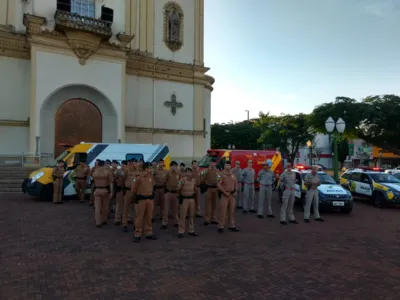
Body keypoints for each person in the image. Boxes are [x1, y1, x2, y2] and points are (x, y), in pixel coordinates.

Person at [132, 162, 157, 242]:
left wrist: (152, 194)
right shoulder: (138, 177)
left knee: (149, 216)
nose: (150, 170)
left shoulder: (151, 177)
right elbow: (133, 189)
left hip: (149, 199)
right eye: (149, 168)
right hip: (141, 199)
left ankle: (148, 232)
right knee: (139, 217)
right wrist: (135, 198)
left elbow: (152, 186)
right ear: (145, 168)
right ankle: (137, 233)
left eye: (150, 168)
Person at [217, 161, 240, 233]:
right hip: (224, 195)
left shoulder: (233, 174)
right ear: (224, 166)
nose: (228, 166)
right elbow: (218, 184)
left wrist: (236, 190)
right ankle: (221, 226)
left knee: (231, 211)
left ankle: (231, 225)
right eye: (226, 165)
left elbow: (236, 182)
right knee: (223, 211)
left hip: (232, 195)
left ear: (230, 166)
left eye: (229, 165)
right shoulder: (220, 174)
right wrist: (224, 192)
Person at [177, 167, 198, 238]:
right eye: (187, 172)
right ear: (185, 173)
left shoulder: (193, 180)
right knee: (183, 216)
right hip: (184, 199)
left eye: (190, 172)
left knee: (191, 215)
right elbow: (178, 189)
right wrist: (181, 196)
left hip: (191, 199)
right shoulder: (182, 180)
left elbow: (195, 189)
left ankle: (191, 230)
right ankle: (181, 231)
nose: (189, 173)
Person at [92, 160, 114, 227]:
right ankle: (104, 220)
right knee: (105, 207)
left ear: (98, 165)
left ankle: (98, 222)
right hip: (105, 190)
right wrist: (111, 192)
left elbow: (93, 181)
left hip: (97, 190)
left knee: (97, 208)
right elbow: (111, 183)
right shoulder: (107, 172)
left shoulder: (94, 172)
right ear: (104, 164)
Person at [201, 158, 220, 225]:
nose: (212, 164)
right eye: (211, 163)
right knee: (207, 205)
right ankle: (206, 219)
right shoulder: (205, 170)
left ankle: (213, 218)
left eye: (213, 163)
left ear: (215, 164)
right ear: (209, 163)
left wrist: (217, 184)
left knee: (214, 204)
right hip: (208, 188)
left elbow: (219, 179)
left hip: (215, 189)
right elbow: (202, 178)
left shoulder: (217, 171)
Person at [122, 158, 139, 232]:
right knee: (126, 209)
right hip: (128, 191)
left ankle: (136, 225)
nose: (136, 164)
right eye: (134, 163)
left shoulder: (138, 172)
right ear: (131, 163)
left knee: (136, 209)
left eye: (136, 163)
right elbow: (122, 179)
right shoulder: (126, 170)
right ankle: (124, 225)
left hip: (135, 192)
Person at [161, 161, 180, 229]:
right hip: (168, 192)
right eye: (173, 166)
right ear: (170, 166)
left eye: (175, 166)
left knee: (175, 209)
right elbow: (163, 181)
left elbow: (181, 181)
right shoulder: (167, 173)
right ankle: (164, 223)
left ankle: (176, 222)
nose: (174, 167)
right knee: (166, 208)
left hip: (175, 193)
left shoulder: (178, 173)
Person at [114, 160, 127, 225]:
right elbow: (115, 178)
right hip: (120, 189)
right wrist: (118, 183)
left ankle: (128, 218)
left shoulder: (128, 171)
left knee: (127, 205)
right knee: (119, 204)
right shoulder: (118, 171)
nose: (123, 165)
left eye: (124, 164)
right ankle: (117, 219)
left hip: (127, 190)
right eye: (122, 164)